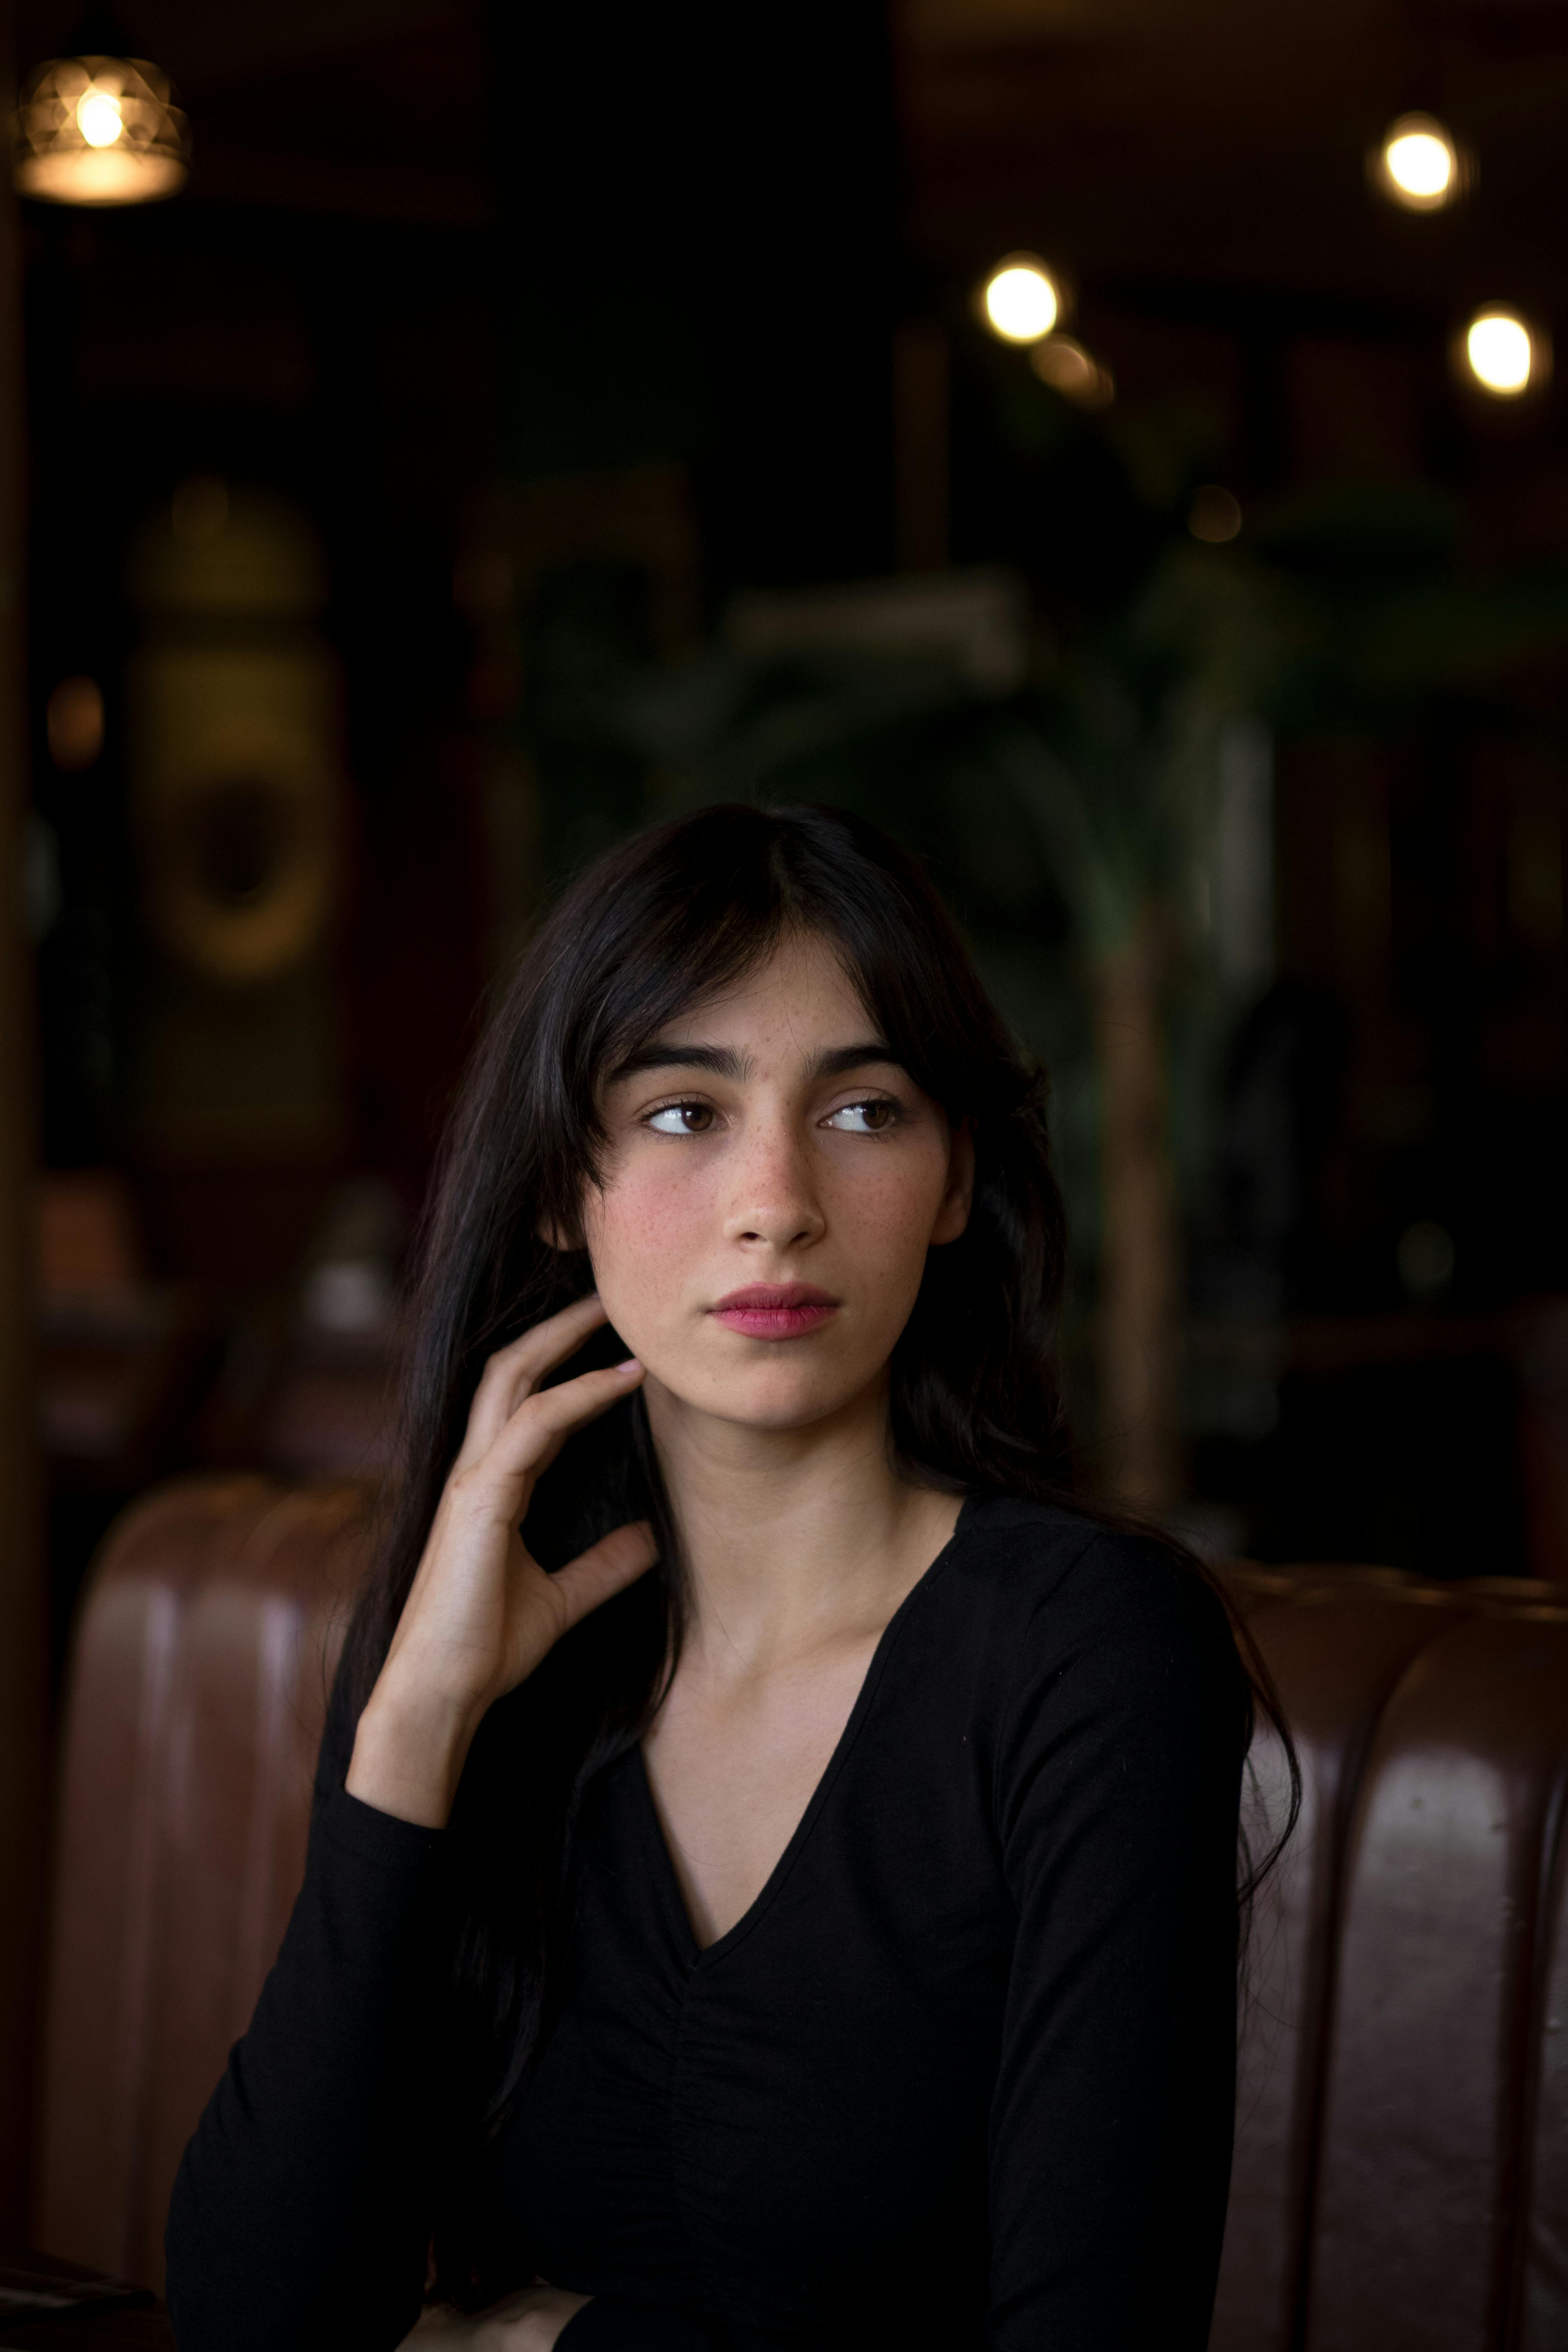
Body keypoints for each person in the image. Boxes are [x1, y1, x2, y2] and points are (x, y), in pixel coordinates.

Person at [165, 802, 1280, 2352]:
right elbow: (250, 2321)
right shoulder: (478, 1643)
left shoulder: (1094, 1654)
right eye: (685, 1112)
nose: (777, 1203)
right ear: (559, 1190)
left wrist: (551, 2346)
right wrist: (413, 1729)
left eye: (864, 1110)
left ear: (957, 1181)